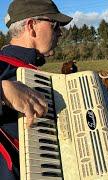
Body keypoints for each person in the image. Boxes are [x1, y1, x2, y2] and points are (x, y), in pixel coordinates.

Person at [0, 0, 72, 179]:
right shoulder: (3, 66)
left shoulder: (31, 71)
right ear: (32, 26)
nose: (60, 33)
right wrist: (3, 92)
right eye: (55, 26)